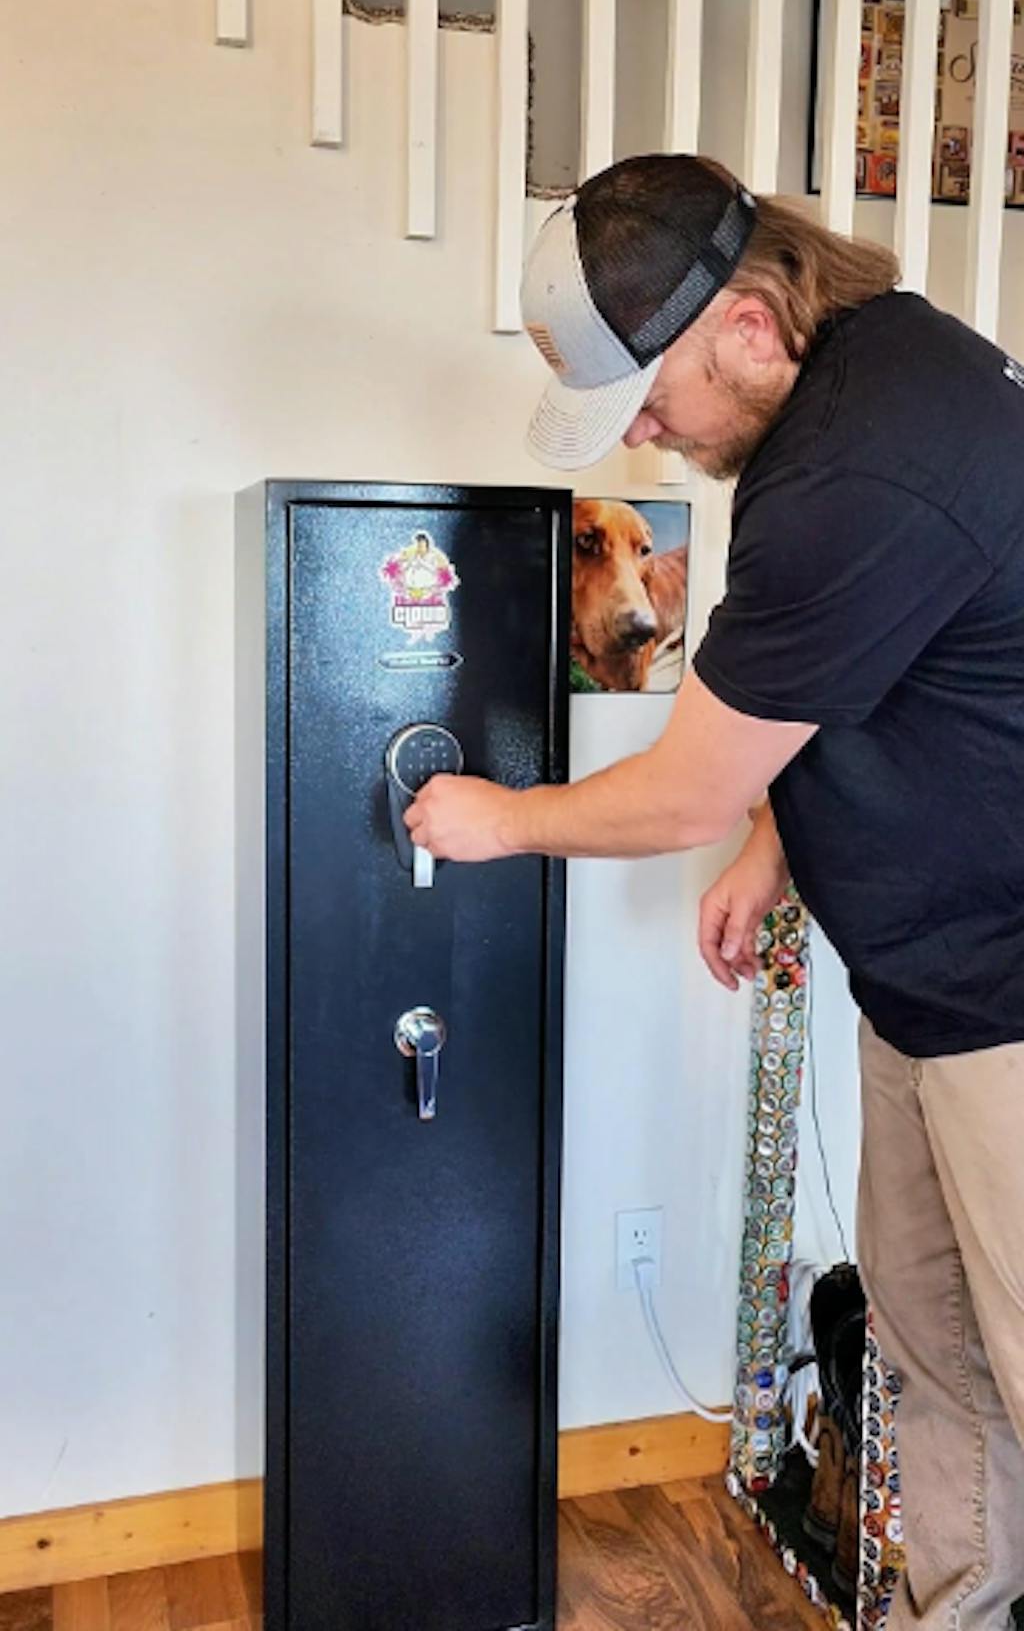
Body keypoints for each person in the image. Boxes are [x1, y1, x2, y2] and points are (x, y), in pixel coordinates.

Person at [403, 153, 1024, 1629]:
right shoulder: (862, 390)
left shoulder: (868, 455)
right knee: (939, 1361)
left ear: (749, 322)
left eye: (654, 398)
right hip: (928, 993)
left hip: (1010, 1008)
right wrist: (785, 840)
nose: (656, 440)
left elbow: (682, 783)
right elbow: (897, 680)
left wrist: (498, 818)